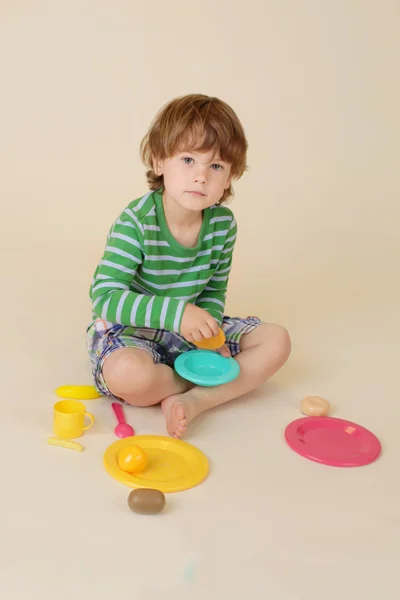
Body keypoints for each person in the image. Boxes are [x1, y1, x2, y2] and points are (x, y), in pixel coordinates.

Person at [86, 94, 291, 438]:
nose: (200, 176)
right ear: (158, 161)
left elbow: (213, 289)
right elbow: (105, 297)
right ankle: (193, 379)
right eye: (187, 159)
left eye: (215, 166)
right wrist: (177, 315)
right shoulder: (136, 222)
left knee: (277, 341)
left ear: (229, 178)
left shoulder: (222, 224)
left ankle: (196, 400)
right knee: (127, 375)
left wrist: (210, 339)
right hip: (135, 331)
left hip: (192, 331)